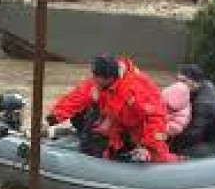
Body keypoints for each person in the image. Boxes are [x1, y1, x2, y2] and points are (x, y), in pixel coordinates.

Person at [45, 54, 177, 163]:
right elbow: (77, 97)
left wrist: (148, 147)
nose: (93, 79)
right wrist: (52, 119)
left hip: (138, 131)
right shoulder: (101, 81)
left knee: (155, 156)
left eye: (96, 77)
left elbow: (156, 117)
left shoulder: (136, 90)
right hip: (115, 124)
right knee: (82, 119)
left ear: (109, 78)